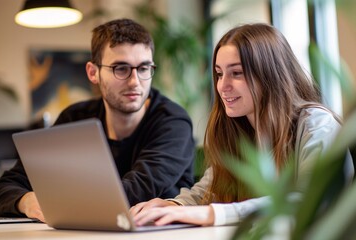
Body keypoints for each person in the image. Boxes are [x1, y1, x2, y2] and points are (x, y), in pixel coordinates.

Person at [130, 23, 354, 227]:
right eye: (219, 74)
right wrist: (175, 206)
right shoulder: (238, 130)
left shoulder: (317, 125)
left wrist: (213, 214)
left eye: (236, 73)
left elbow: (311, 199)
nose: (222, 86)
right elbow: (208, 191)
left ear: (270, 75)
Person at [0, 18, 195, 222]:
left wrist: (59, 201)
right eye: (121, 68)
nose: (135, 82)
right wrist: (28, 201)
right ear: (93, 72)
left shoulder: (172, 122)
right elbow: (4, 186)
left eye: (144, 68)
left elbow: (133, 192)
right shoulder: (75, 119)